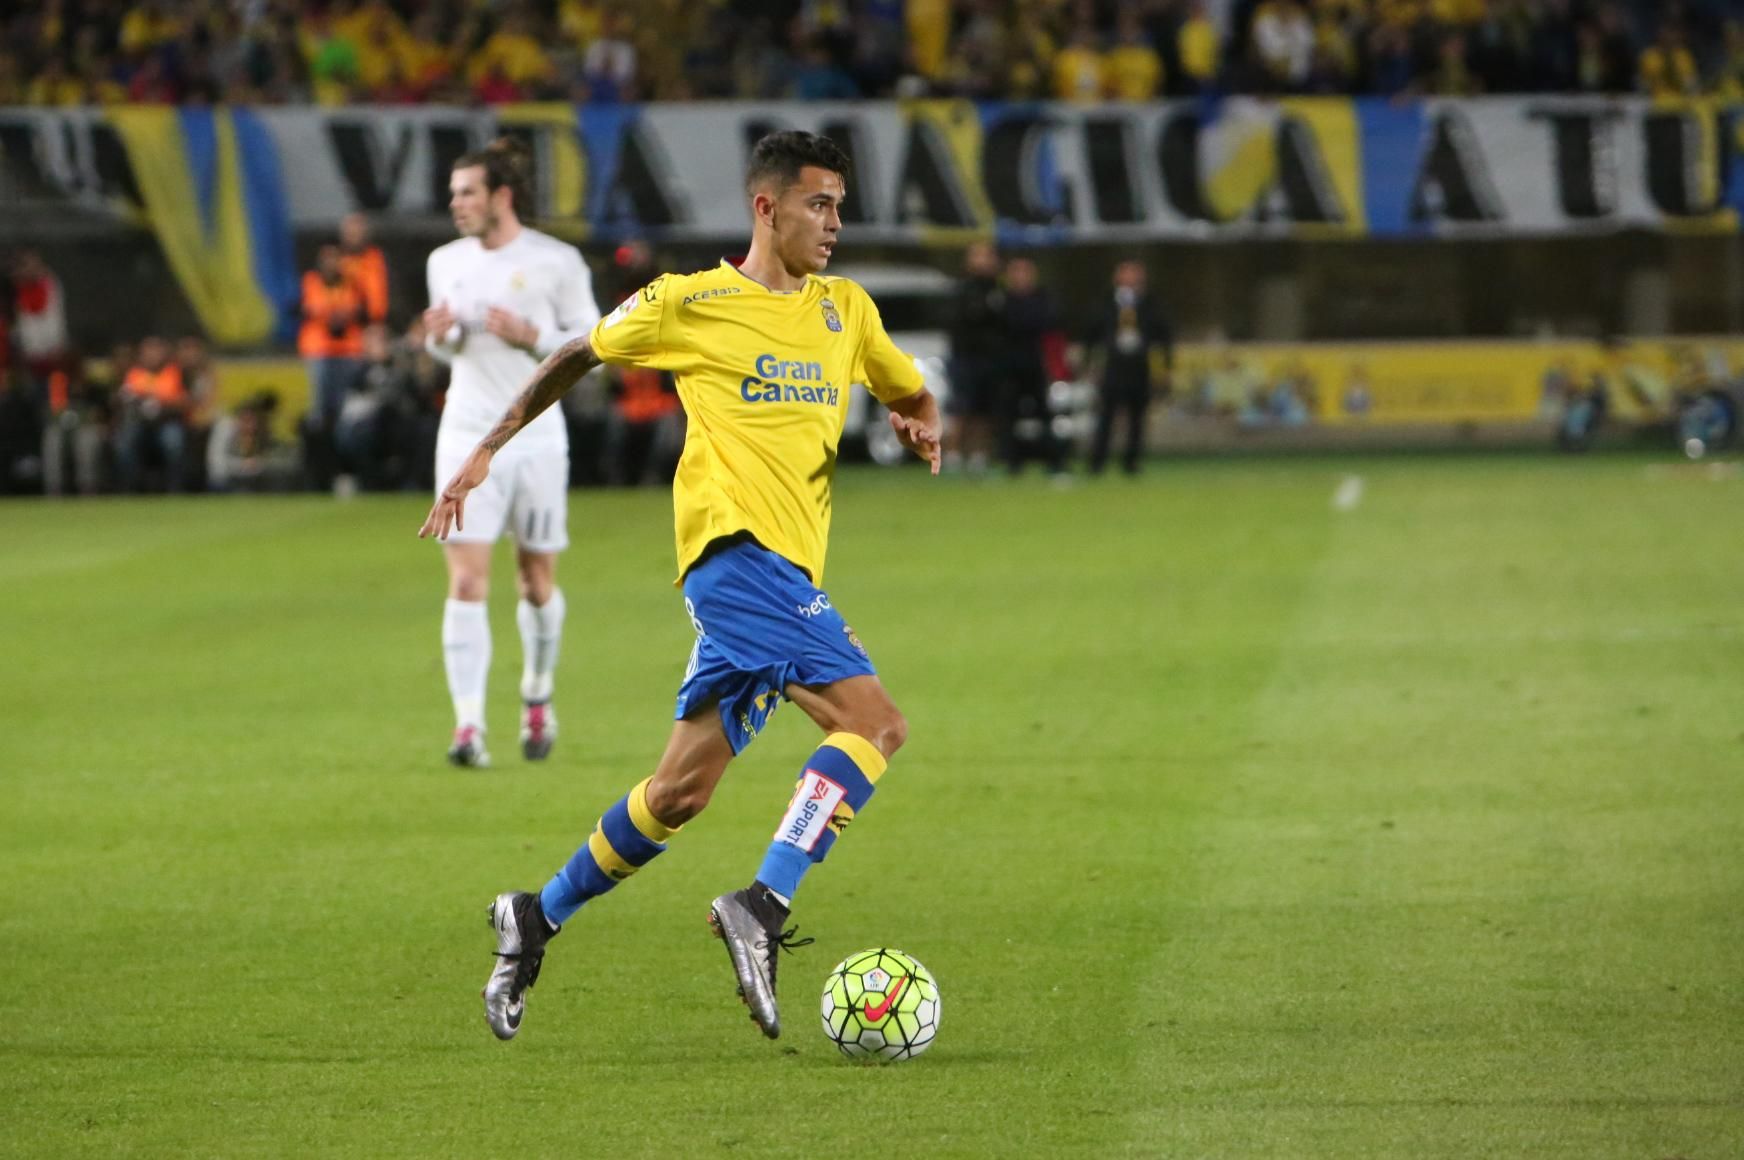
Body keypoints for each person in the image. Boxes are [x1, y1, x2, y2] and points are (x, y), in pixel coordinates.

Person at [419, 130, 941, 1044]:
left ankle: (533, 917)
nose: (834, 223)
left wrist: (917, 419)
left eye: (840, 206)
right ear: (765, 207)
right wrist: (486, 449)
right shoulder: (689, 302)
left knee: (678, 793)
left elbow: (908, 387)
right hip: (736, 561)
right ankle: (763, 905)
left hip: (783, 574)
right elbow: (578, 354)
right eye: (818, 204)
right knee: (876, 723)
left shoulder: (845, 310)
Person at [421, 137, 601, 768]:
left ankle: (536, 695)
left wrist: (532, 337)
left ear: (501, 195)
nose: (457, 205)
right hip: (466, 431)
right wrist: (438, 340)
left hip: (538, 440)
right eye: (452, 194)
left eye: (467, 191)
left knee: (535, 581)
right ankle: (468, 727)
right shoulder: (445, 261)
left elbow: (593, 345)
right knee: (467, 579)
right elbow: (448, 350)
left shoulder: (555, 261)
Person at [1085, 260, 1172, 476]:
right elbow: (1091, 333)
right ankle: (1098, 462)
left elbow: (1164, 334)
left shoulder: (1150, 304)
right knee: (1106, 416)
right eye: (1126, 274)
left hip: (1138, 366)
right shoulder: (1106, 303)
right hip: (1114, 366)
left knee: (1137, 418)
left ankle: (1131, 462)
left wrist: (1166, 366)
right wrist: (1089, 362)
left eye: (1134, 274)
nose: (1130, 278)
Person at [946, 240, 1004, 474]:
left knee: (984, 412)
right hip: (965, 359)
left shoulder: (997, 290)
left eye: (988, 256)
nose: (984, 261)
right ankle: (951, 456)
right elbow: (957, 323)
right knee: (961, 409)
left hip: (989, 360)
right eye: (978, 256)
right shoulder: (962, 290)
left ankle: (979, 457)